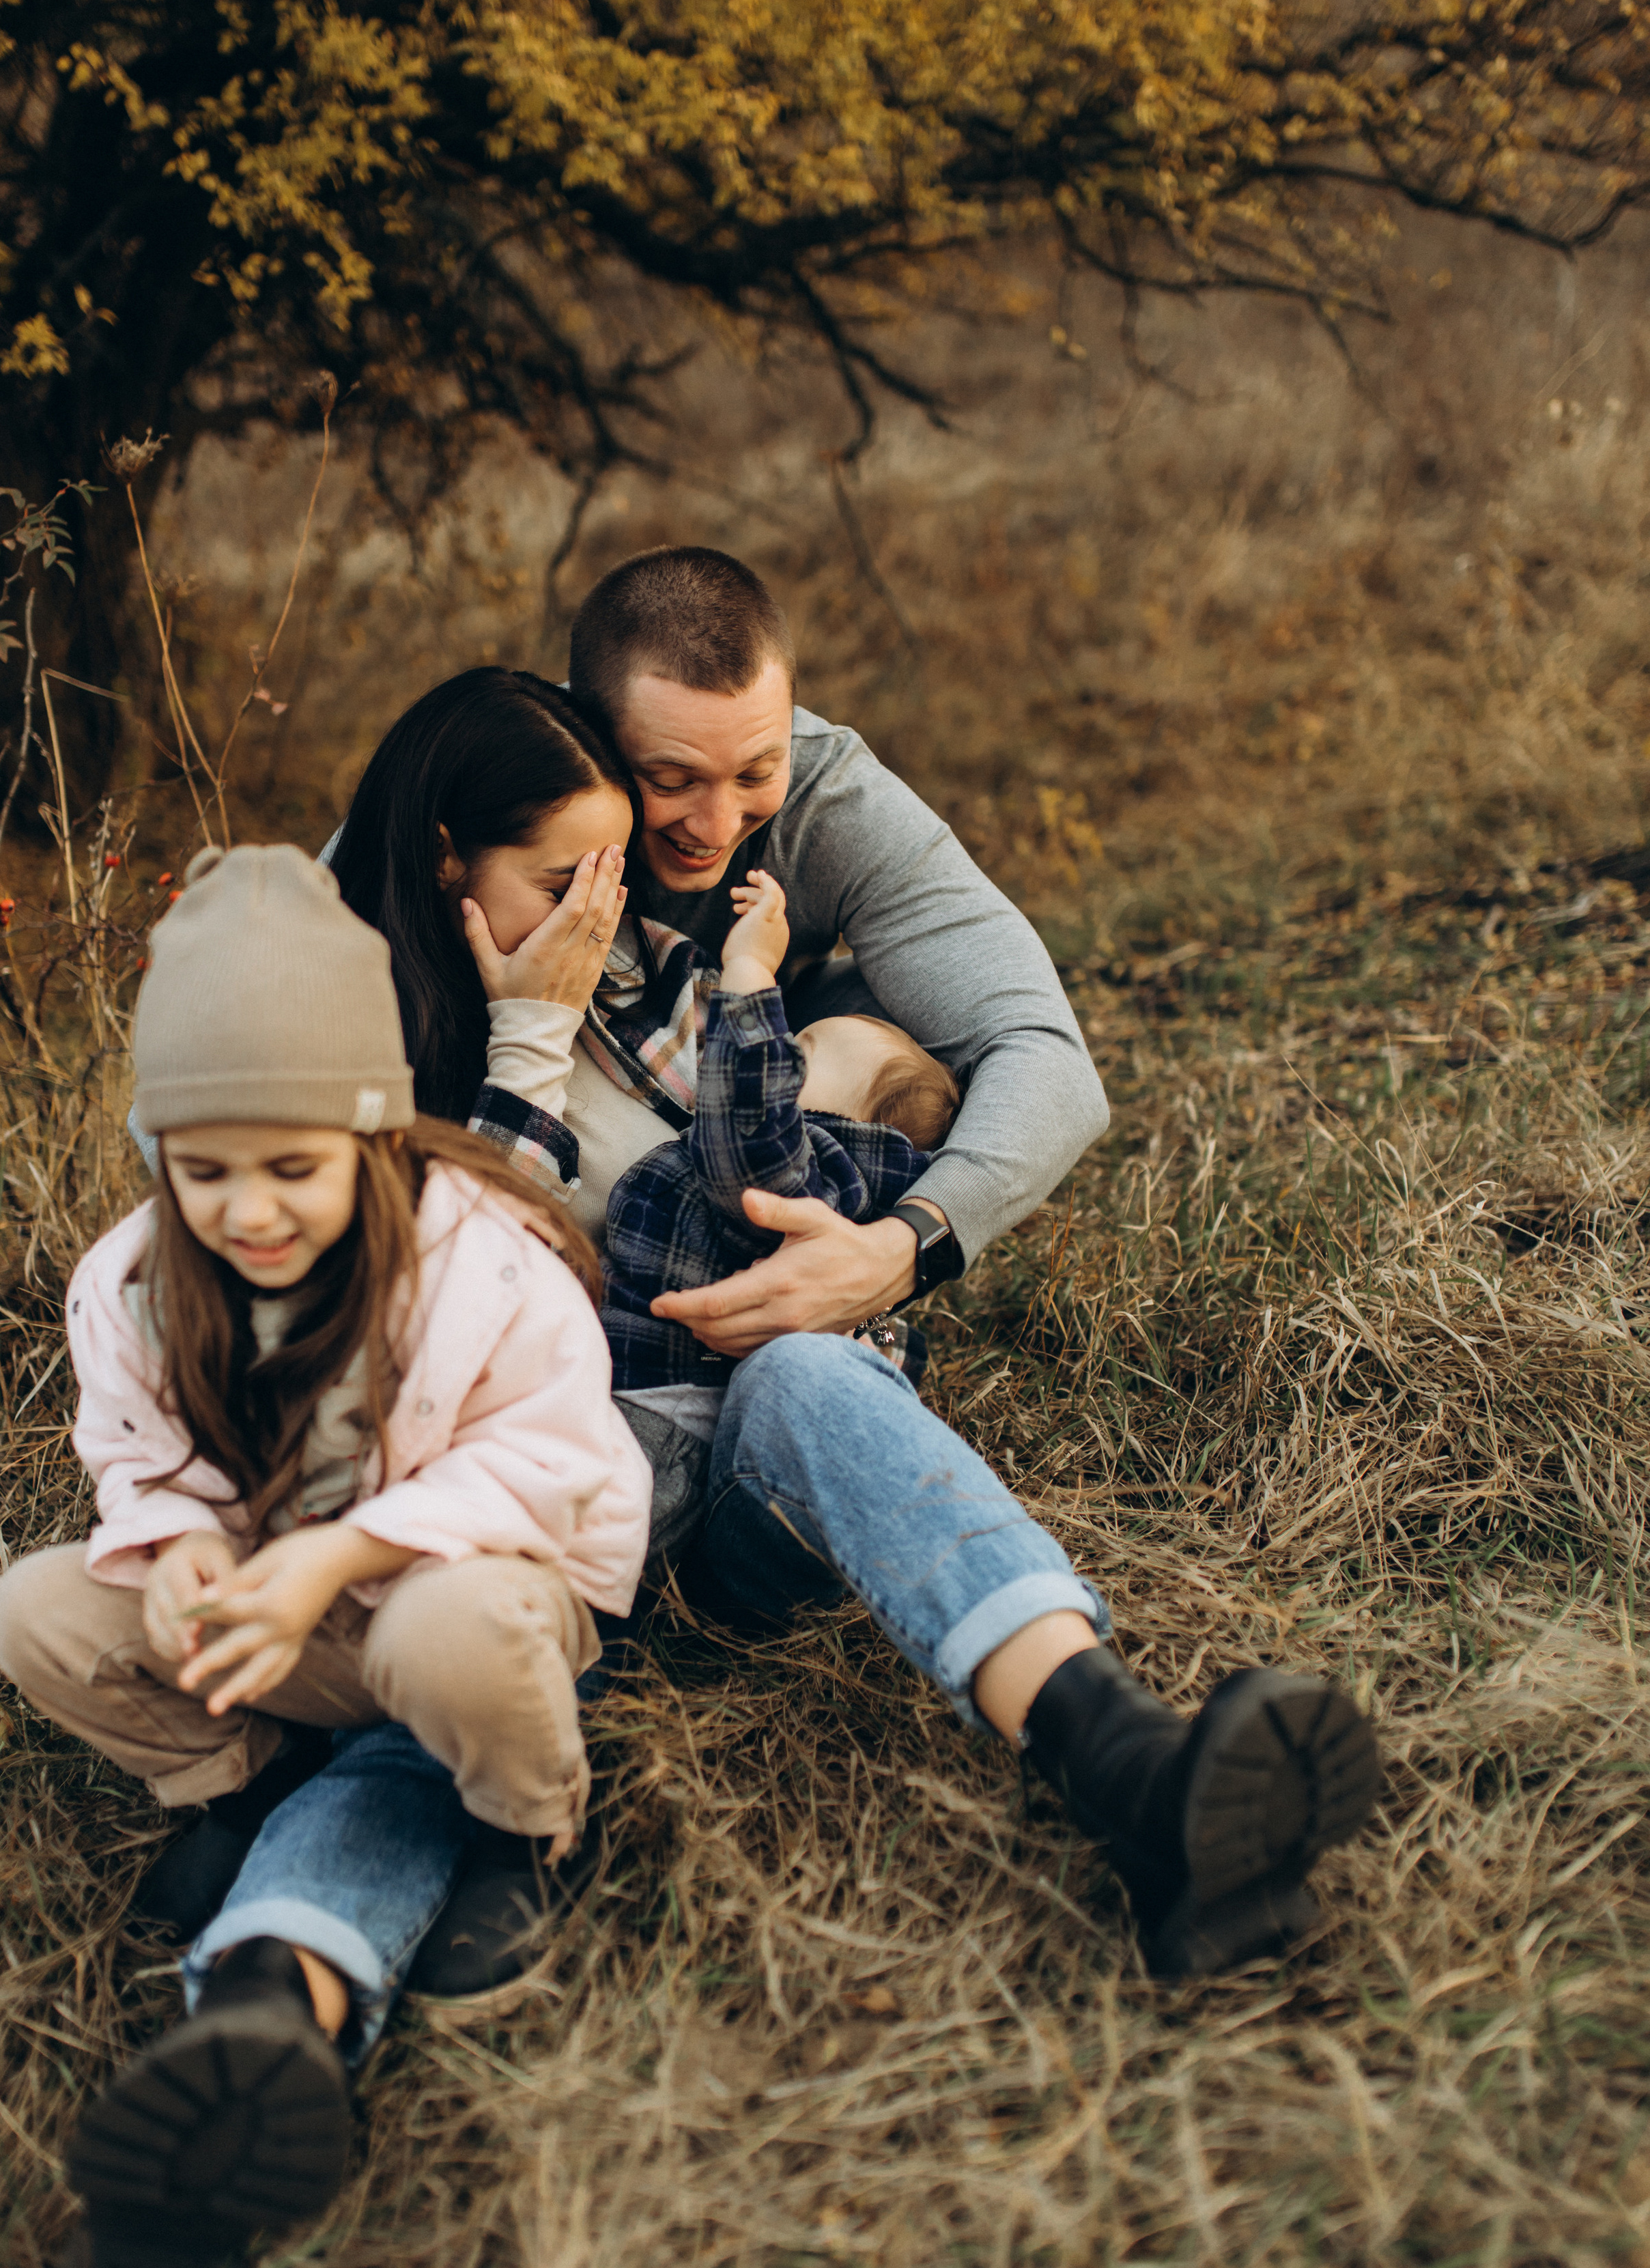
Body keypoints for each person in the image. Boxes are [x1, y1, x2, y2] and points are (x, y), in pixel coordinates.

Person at [330, 566, 1382, 1992]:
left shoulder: (811, 807)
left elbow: (1043, 1059)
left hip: (738, 1458)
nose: (714, 821)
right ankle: (341, 1911)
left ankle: (1126, 1766)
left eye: (750, 770)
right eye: (667, 783)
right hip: (542, 1486)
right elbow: (242, 1147)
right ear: (576, 741)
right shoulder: (461, 846)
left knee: (811, 1371)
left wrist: (890, 1250)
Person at [0, 845, 650, 2268]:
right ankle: (240, 1777)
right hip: (295, 1629)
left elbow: (566, 1466)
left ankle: (521, 1829)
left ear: (375, 1137)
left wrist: (342, 1555)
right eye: (204, 1172)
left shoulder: (481, 1258)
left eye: (293, 1170)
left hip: (488, 1599)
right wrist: (179, 1555)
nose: (251, 1211)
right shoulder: (135, 1283)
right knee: (38, 1610)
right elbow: (134, 1454)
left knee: (446, 1628)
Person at [601, 866, 960, 1523]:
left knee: (580, 1534)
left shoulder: (806, 1178)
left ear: (854, 1129)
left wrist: (748, 972)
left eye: (803, 1052)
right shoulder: (811, 1165)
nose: (783, 1050)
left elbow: (748, 1120)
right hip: (633, 1396)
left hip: (661, 1422)